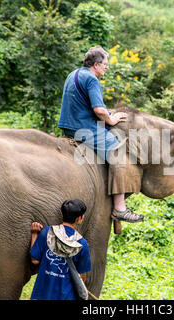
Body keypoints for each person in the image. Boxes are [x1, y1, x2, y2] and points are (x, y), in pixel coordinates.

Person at [58, 45, 143, 223]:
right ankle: (119, 209)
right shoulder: (92, 80)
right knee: (118, 152)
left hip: (68, 126)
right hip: (84, 128)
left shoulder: (73, 74)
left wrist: (108, 113)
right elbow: (98, 109)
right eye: (105, 64)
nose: (107, 67)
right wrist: (111, 119)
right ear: (96, 65)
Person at [29, 199, 91, 300]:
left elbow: (35, 260)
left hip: (41, 295)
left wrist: (34, 234)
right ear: (79, 218)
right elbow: (81, 276)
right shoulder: (82, 244)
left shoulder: (47, 232)